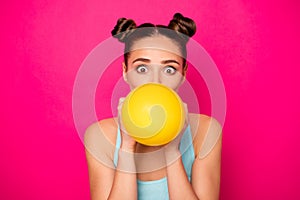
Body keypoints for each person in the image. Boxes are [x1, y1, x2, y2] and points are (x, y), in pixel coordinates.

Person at [84, 13, 222, 200]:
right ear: (125, 71)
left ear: (183, 74)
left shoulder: (206, 132)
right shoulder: (100, 135)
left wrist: (172, 150)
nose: (155, 81)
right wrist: (126, 146)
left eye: (169, 69)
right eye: (142, 68)